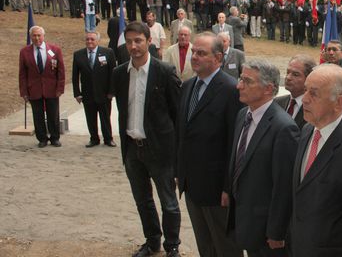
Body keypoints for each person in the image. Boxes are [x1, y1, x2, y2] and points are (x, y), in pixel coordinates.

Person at [110, 21, 182, 257]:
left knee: (168, 202)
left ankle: (172, 246)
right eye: (129, 41)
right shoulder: (120, 73)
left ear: (149, 41)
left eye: (138, 40)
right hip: (132, 149)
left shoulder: (164, 72)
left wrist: (176, 152)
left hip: (160, 150)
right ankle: (152, 242)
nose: (133, 46)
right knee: (143, 201)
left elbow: (176, 113)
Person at [176, 32, 242, 257]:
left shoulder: (231, 90)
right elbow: (182, 134)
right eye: (193, 52)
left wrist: (227, 187)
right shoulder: (187, 87)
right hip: (192, 184)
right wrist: (180, 172)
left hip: (217, 190)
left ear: (218, 58)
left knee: (225, 246)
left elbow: (234, 143)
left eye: (201, 53)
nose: (194, 57)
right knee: (205, 245)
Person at [290, 64, 342, 256]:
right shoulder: (308, 129)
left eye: (313, 94)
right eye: (305, 90)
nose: (304, 98)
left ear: (339, 102)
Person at [227, 60, 299, 256]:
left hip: (266, 229)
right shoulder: (243, 115)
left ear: (268, 89)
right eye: (241, 79)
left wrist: (276, 232)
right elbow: (237, 159)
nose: (238, 85)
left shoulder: (284, 128)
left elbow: (283, 186)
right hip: (244, 217)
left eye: (247, 81)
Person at [19, 26, 65, 148]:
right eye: (34, 35)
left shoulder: (55, 50)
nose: (37, 38)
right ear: (31, 37)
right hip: (34, 89)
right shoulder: (24, 52)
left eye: (39, 35)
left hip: (52, 88)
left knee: (53, 114)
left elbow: (61, 71)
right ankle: (42, 138)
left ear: (43, 36)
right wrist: (23, 91)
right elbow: (22, 74)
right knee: (37, 115)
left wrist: (60, 88)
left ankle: (55, 138)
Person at [72, 31, 117, 148]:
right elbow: (75, 76)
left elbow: (113, 73)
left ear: (97, 40)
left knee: (105, 118)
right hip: (87, 94)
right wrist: (77, 93)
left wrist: (112, 91)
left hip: (104, 93)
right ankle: (94, 139)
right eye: (87, 39)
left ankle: (108, 139)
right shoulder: (78, 55)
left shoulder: (108, 52)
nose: (89, 41)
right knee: (91, 119)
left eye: (92, 39)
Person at [275, 54, 316, 129]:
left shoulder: (315, 110)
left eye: (295, 74)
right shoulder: (277, 103)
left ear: (309, 78)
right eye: (288, 72)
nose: (288, 77)